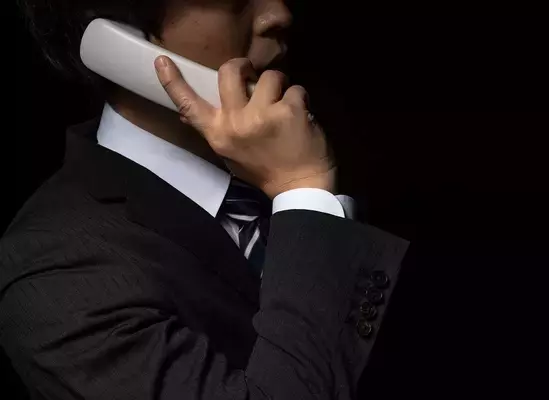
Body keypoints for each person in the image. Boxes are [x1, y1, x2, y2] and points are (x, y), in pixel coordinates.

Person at [1, 0, 409, 399]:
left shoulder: (326, 139)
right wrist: (304, 191)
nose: (278, 14)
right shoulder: (58, 274)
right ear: (115, 36)